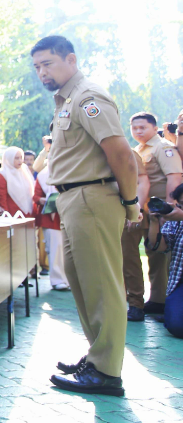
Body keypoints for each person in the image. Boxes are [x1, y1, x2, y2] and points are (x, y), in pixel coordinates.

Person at [33, 36, 139, 397]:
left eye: (47, 63)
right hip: (74, 200)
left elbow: (122, 155)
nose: (41, 72)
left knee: (102, 285)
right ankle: (97, 359)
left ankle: (107, 372)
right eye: (37, 66)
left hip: (92, 196)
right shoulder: (67, 100)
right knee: (83, 283)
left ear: (71, 59)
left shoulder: (88, 98)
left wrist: (131, 203)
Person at [123, 112, 182, 321]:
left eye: (143, 128)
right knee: (135, 253)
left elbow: (174, 178)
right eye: (134, 128)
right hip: (140, 210)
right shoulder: (138, 150)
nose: (138, 131)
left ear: (153, 127)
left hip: (158, 211)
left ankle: (158, 300)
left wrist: (170, 209)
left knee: (158, 255)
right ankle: (140, 301)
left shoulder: (163, 147)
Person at [146, 182, 183, 338]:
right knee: (176, 326)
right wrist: (154, 223)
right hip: (180, 282)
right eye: (181, 204)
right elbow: (159, 247)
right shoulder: (176, 220)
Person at [33, 164, 69, 291]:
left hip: (67, 217)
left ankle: (68, 280)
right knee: (55, 249)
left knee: (66, 251)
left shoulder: (69, 170)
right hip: (50, 218)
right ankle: (57, 280)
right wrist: (48, 200)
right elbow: (36, 197)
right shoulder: (43, 175)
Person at [0, 147, 35, 217]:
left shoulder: (24, 170)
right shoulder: (2, 174)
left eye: (21, 158)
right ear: (9, 159)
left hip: (28, 213)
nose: (20, 161)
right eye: (16, 158)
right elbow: (1, 199)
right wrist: (5, 216)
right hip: (12, 215)